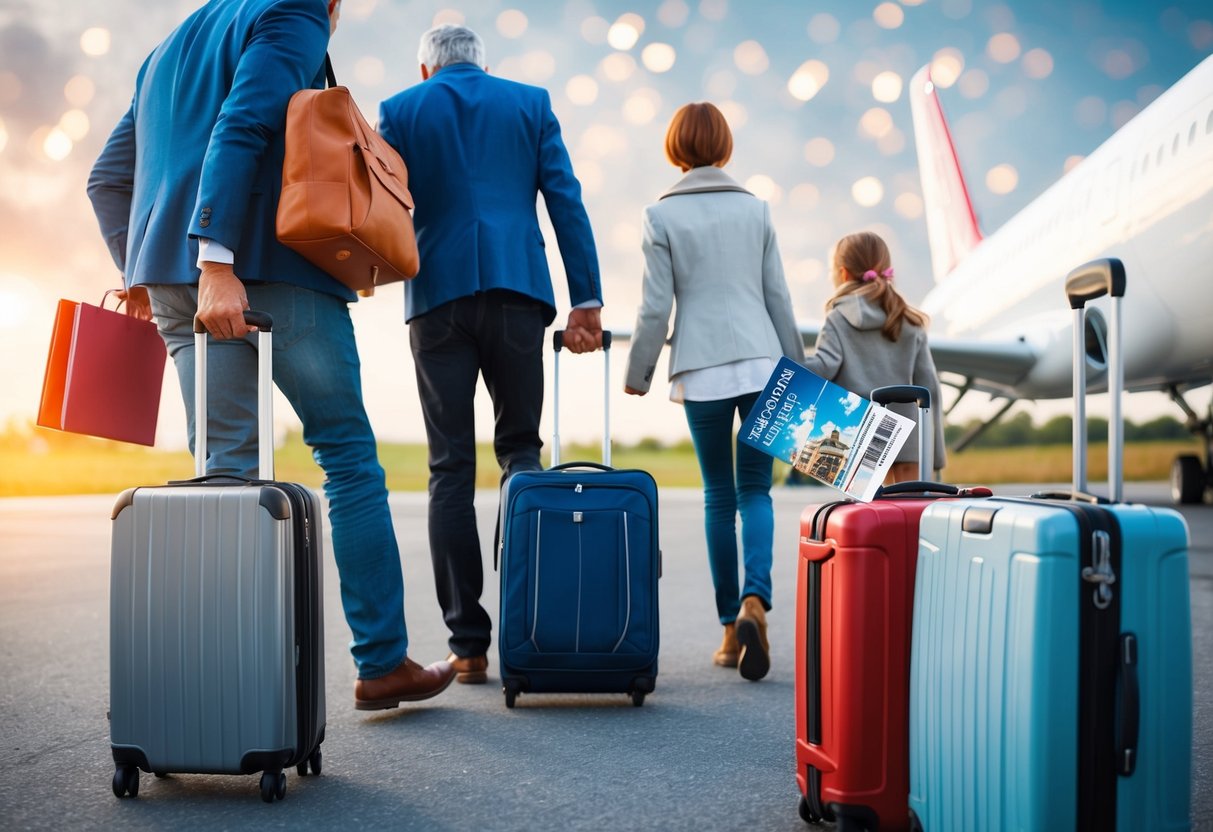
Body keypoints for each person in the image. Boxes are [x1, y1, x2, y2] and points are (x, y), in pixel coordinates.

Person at [87, 0, 455, 710]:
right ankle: (381, 661)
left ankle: (227, 688)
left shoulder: (166, 49)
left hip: (170, 278)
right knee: (345, 452)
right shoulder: (293, 11)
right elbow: (247, 121)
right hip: (264, 268)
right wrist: (216, 260)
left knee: (224, 478)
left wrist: (141, 271)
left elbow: (107, 178)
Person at [377, 24, 603, 683]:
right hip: (516, 292)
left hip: (437, 297)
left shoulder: (399, 110)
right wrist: (584, 297)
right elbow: (566, 200)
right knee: (521, 454)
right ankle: (531, 622)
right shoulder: (529, 103)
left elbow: (378, 204)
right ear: (482, 63)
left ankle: (467, 646)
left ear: (426, 69)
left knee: (449, 467)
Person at [623, 102, 804, 682]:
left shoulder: (660, 215)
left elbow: (655, 306)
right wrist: (798, 370)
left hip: (701, 371)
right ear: (725, 146)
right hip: (761, 365)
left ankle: (730, 629)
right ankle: (757, 599)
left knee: (717, 497)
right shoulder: (757, 210)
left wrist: (639, 371)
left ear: (675, 148)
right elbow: (779, 297)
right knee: (757, 492)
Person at [802, 230, 947, 482]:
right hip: (910, 438)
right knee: (909, 515)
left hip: (860, 435)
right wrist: (934, 455)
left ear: (843, 273)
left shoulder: (837, 320)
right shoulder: (910, 322)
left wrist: (785, 359)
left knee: (871, 518)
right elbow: (929, 389)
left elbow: (824, 366)